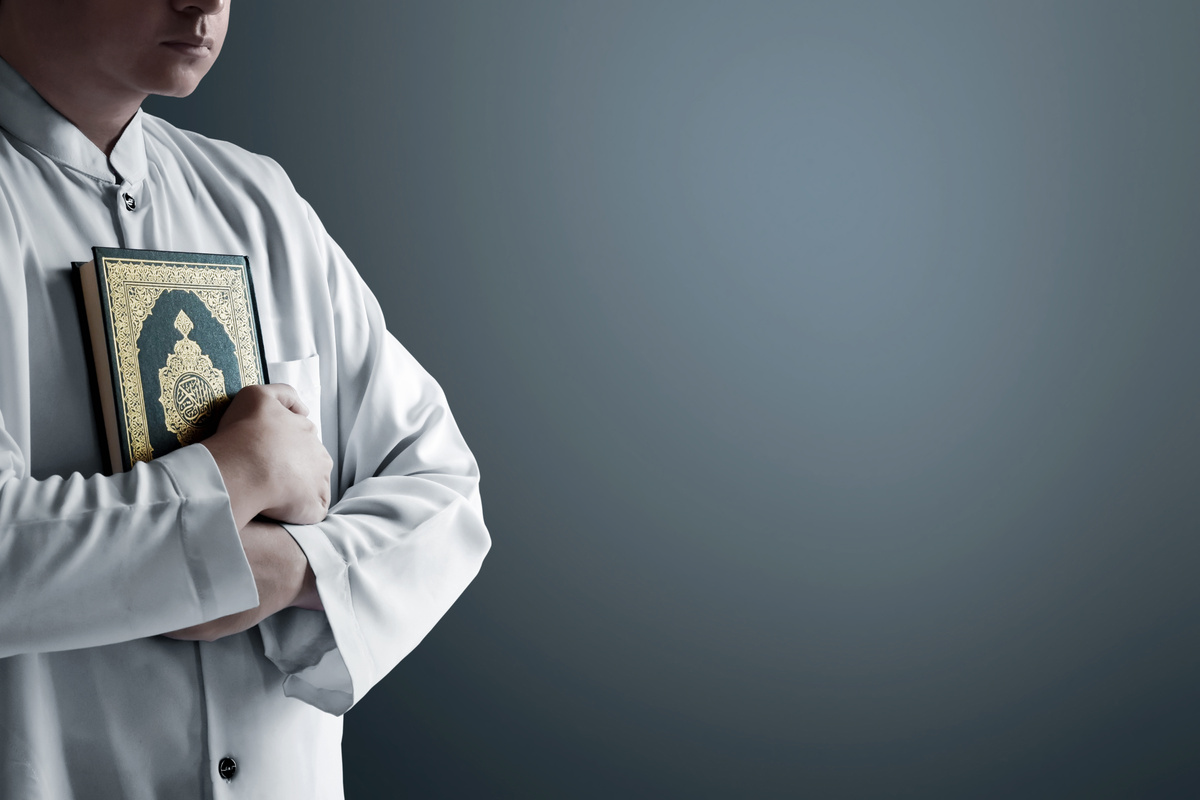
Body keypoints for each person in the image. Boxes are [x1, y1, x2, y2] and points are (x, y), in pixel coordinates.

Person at [0, 0, 491, 797]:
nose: (205, 5)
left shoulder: (260, 201)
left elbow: (441, 488)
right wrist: (238, 476)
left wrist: (293, 568)